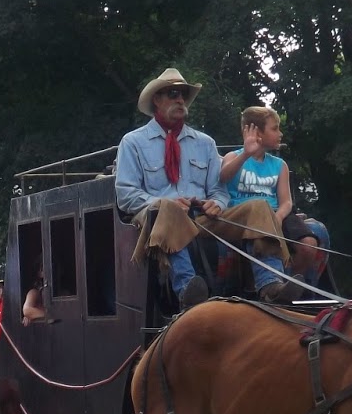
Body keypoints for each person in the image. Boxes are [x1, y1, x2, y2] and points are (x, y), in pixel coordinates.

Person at [115, 67, 297, 306]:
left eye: (183, 94)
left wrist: (217, 203)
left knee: (259, 207)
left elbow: (219, 190)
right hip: (158, 220)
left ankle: (270, 284)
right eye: (173, 94)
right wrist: (162, 203)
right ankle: (188, 290)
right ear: (157, 99)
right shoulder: (133, 142)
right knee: (167, 208)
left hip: (201, 218)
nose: (180, 100)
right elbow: (126, 194)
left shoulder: (205, 143)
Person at [219, 105, 333, 293]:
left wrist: (278, 217)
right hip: (245, 216)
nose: (280, 134)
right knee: (261, 217)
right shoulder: (234, 157)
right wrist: (246, 154)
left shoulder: (280, 165)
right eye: (275, 128)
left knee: (310, 242)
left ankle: (295, 288)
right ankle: (270, 285)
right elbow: (223, 177)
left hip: (274, 214)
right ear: (257, 132)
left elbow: (286, 201)